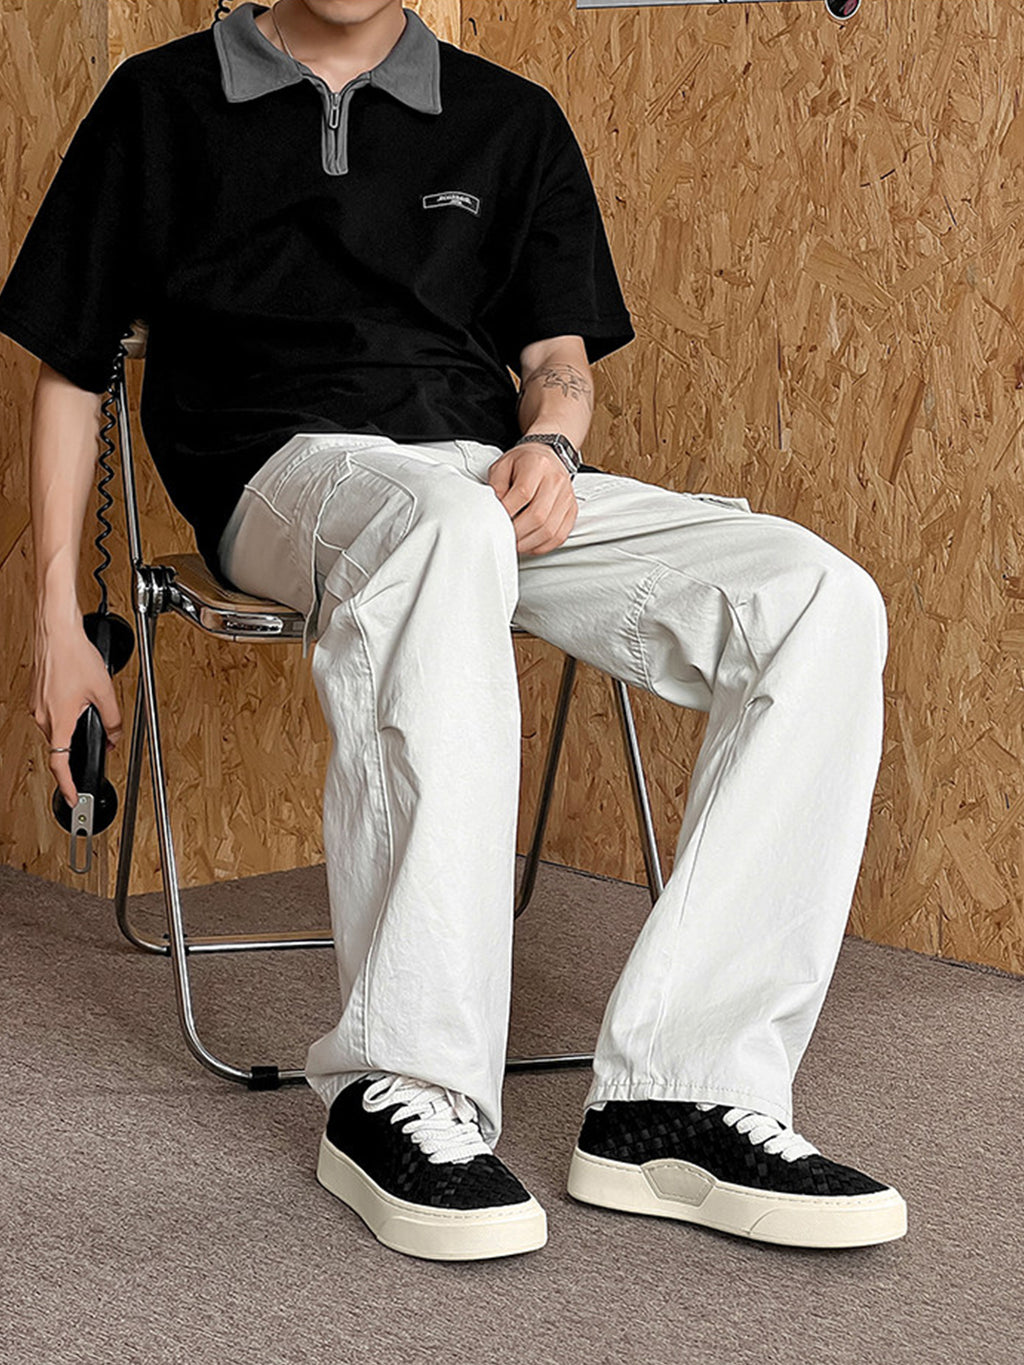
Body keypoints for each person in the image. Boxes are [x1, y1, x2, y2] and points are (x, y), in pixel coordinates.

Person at [0, 0, 907, 1263]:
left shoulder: (507, 118)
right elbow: (69, 367)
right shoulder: (160, 104)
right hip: (286, 478)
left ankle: (678, 1097)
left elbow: (558, 359)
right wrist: (55, 619)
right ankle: (403, 1083)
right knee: (440, 527)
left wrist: (555, 445)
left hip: (486, 480)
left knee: (815, 596)